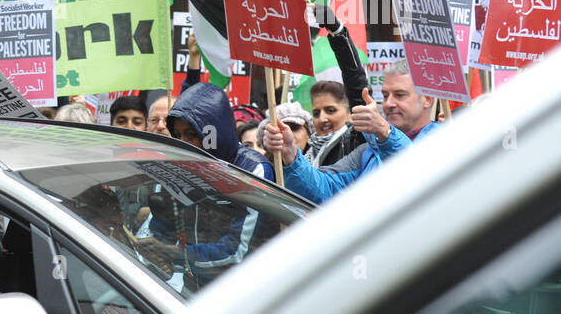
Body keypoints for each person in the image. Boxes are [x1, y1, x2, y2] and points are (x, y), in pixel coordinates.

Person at [264, 60, 440, 203]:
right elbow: (325, 190)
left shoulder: (448, 141)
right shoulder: (369, 152)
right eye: (385, 96)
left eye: (400, 95)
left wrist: (386, 133)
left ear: (427, 99)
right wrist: (291, 155)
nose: (388, 104)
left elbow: (417, 178)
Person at [166, 82, 273, 179]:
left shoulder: (254, 168)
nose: (182, 143)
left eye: (191, 135)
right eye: (178, 135)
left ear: (215, 135)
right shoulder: (180, 166)